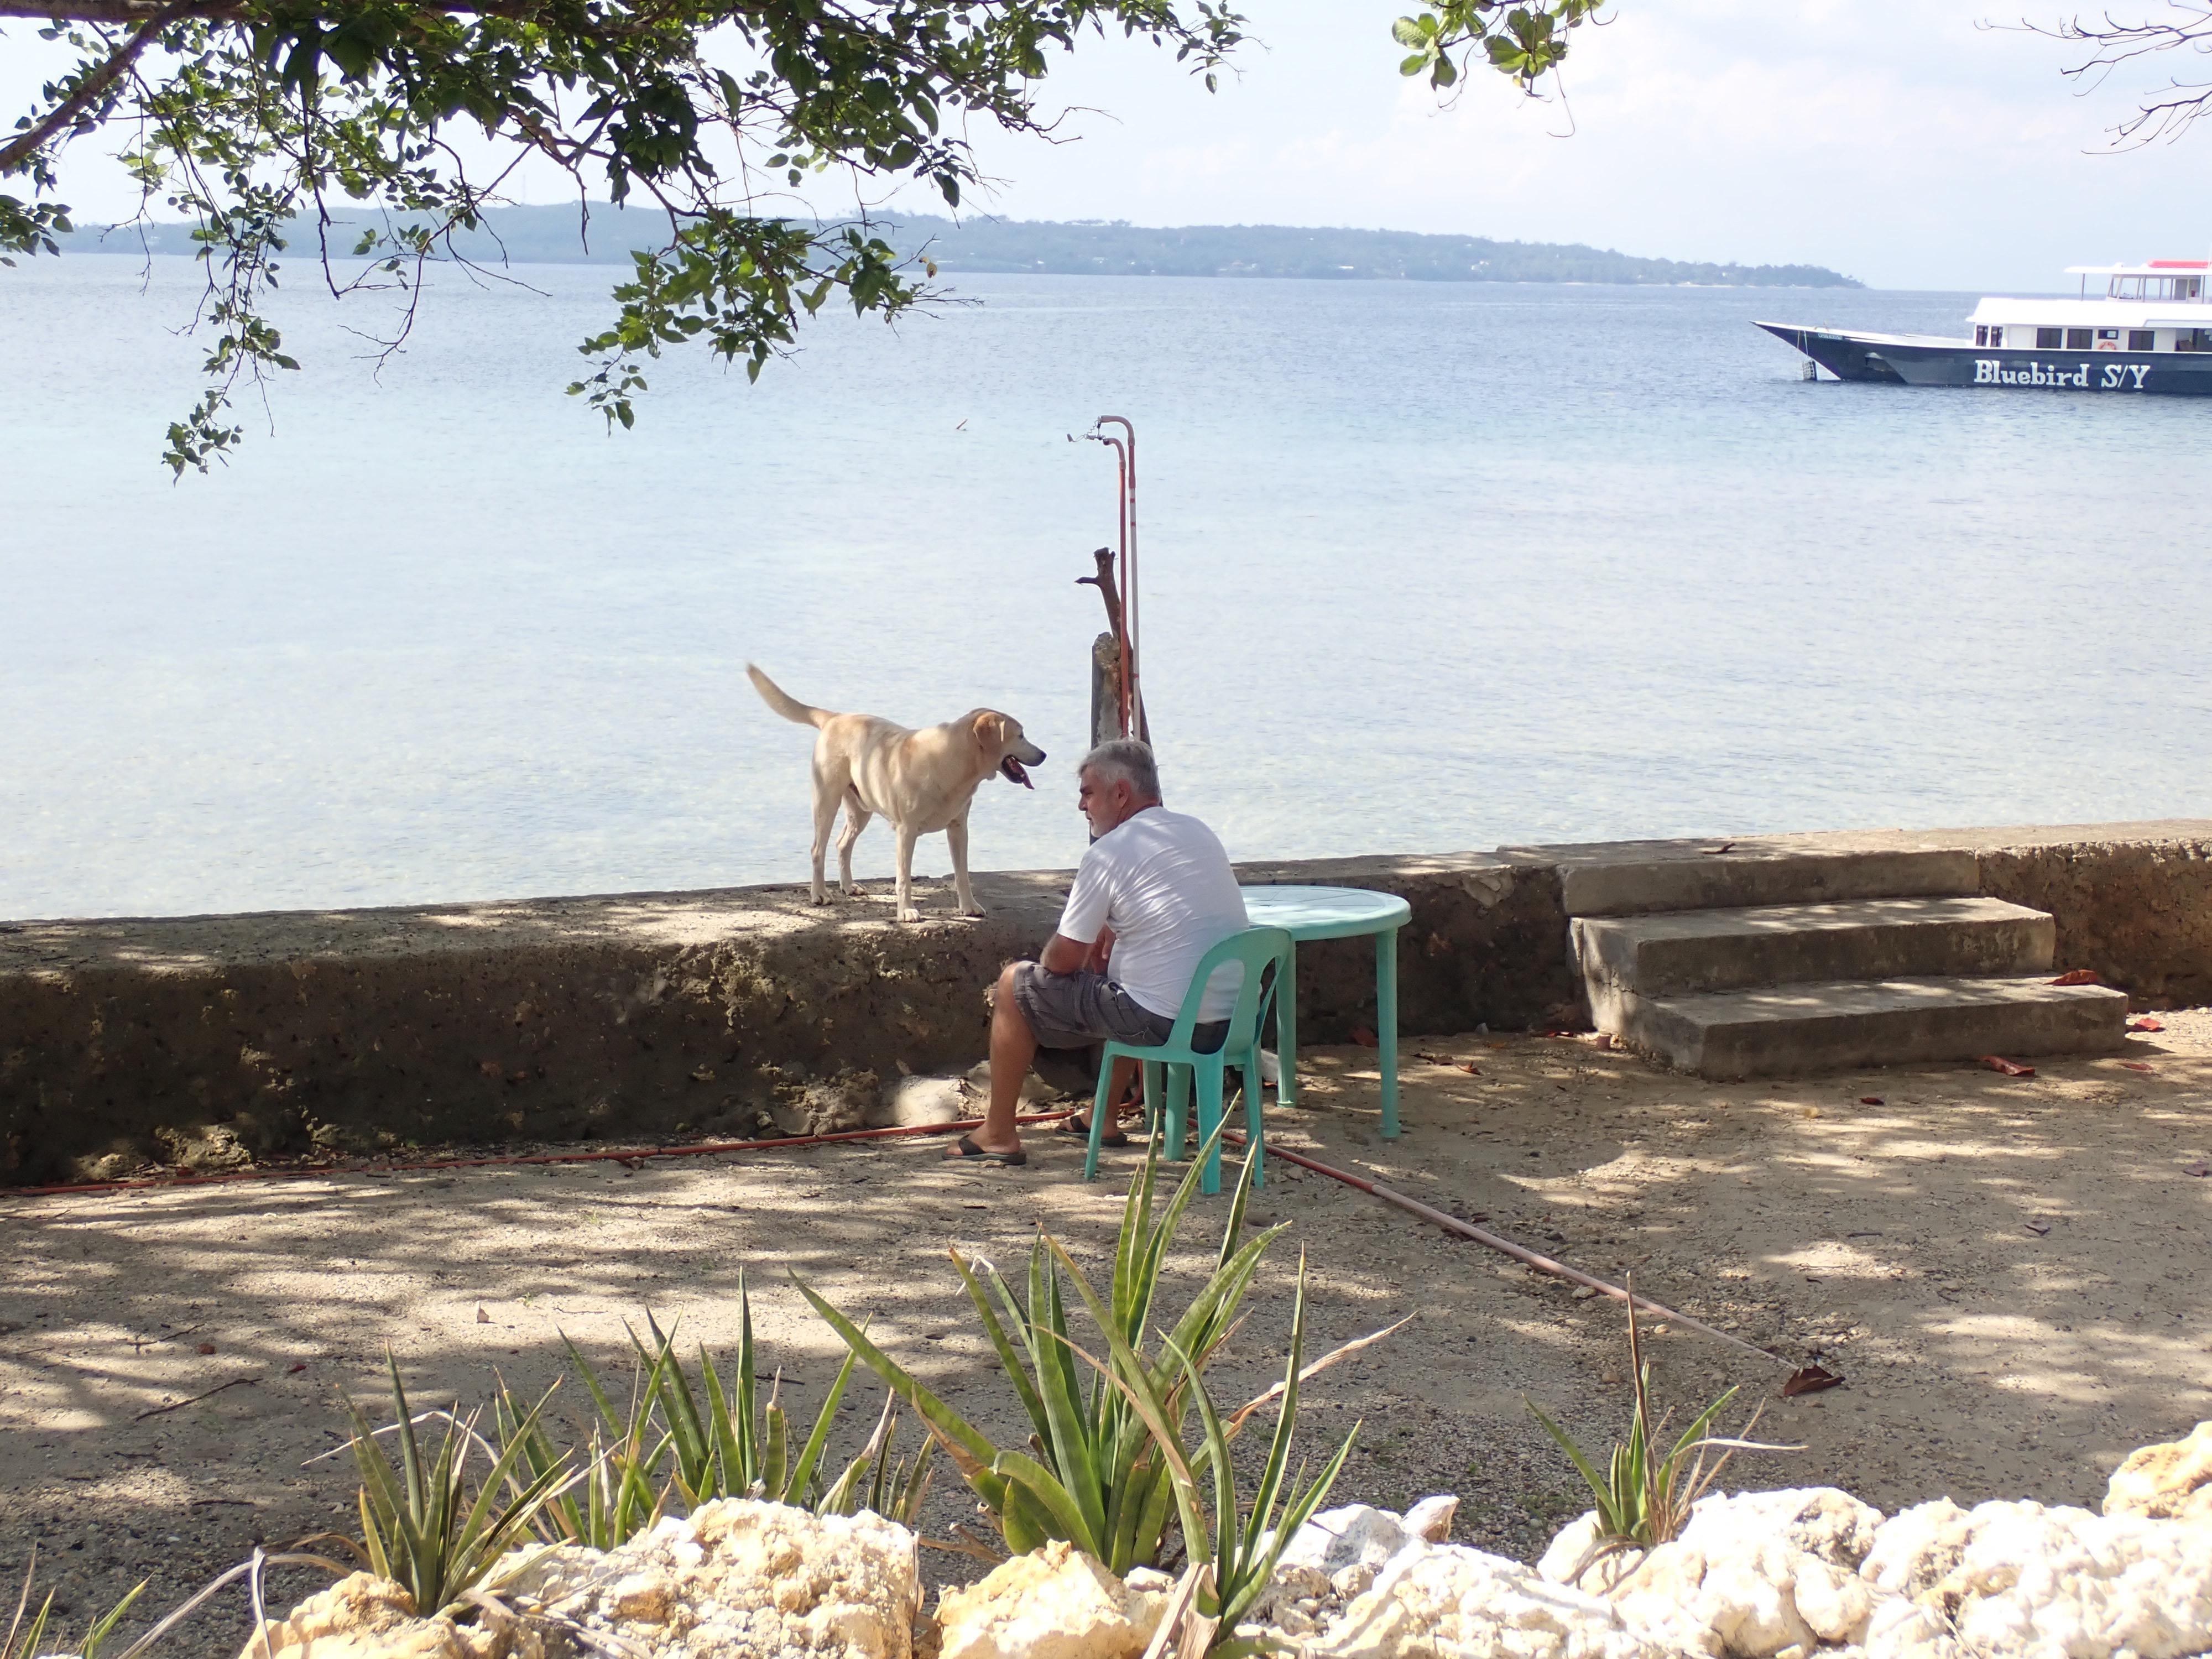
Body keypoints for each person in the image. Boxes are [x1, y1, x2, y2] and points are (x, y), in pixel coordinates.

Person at [946, 738, 1249, 1165]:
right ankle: (1101, 1117)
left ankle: (998, 1132)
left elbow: (1065, 959)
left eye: (1087, 793)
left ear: (1120, 793)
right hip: (1231, 1023)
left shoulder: (1108, 853)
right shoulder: (1197, 831)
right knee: (1126, 973)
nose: (1081, 807)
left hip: (1166, 1024)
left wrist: (1060, 953)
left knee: (1015, 982)